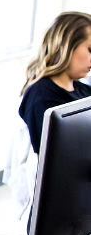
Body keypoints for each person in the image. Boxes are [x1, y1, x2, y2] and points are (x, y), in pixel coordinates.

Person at [19, 11, 91, 153]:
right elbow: (56, 156)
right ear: (67, 46)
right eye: (90, 49)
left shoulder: (85, 91)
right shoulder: (41, 95)